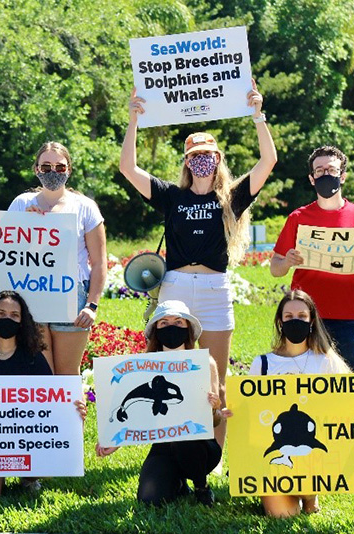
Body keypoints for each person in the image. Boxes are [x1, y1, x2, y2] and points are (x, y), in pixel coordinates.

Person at [119, 81, 277, 446]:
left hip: (214, 290)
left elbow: (268, 161)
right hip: (174, 289)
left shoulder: (231, 198)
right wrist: (133, 119)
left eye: (208, 154)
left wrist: (258, 115)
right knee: (166, 372)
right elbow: (128, 168)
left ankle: (213, 455)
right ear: (187, 162)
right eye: (194, 155)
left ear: (218, 159)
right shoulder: (171, 196)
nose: (201, 160)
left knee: (216, 380)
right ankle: (167, 444)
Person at [226, 289, 354, 517]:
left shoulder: (326, 360)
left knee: (307, 492)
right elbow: (250, 411)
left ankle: (311, 495)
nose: (295, 321)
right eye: (289, 317)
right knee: (283, 515)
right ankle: (292, 494)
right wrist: (234, 414)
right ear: (280, 322)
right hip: (274, 460)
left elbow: (348, 403)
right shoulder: (262, 364)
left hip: (315, 460)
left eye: (302, 316)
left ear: (312, 320)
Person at [270, 146, 354, 372]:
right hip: (306, 317)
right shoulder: (298, 217)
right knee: (305, 380)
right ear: (312, 178)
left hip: (349, 316)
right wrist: (286, 262)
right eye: (319, 171)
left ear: (342, 176)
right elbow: (275, 268)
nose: (325, 175)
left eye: (331, 170)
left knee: (350, 383)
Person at [0, 290, 88, 496]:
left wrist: (73, 412)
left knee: (45, 468)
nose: (7, 319)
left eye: (14, 315)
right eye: (0, 314)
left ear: (22, 322)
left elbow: (52, 402)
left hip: (24, 438)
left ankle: (29, 477)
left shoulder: (33, 357)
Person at [95, 300, 224, 506]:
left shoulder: (205, 364)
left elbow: (215, 421)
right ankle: (178, 483)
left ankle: (202, 487)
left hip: (200, 447)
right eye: (164, 323)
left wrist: (214, 407)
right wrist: (113, 440)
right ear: (156, 330)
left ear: (188, 329)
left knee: (186, 438)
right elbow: (138, 414)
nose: (172, 327)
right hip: (163, 446)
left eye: (178, 322)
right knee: (150, 499)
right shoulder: (143, 368)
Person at [7, 142, 107, 375]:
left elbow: (100, 261)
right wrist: (25, 226)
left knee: (66, 373)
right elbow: (6, 255)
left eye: (60, 167)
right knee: (40, 372)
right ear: (36, 169)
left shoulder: (85, 207)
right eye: (46, 166)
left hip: (72, 296)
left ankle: (71, 413)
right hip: (31, 293)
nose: (53, 172)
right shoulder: (21, 204)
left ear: (69, 170)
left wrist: (92, 305)